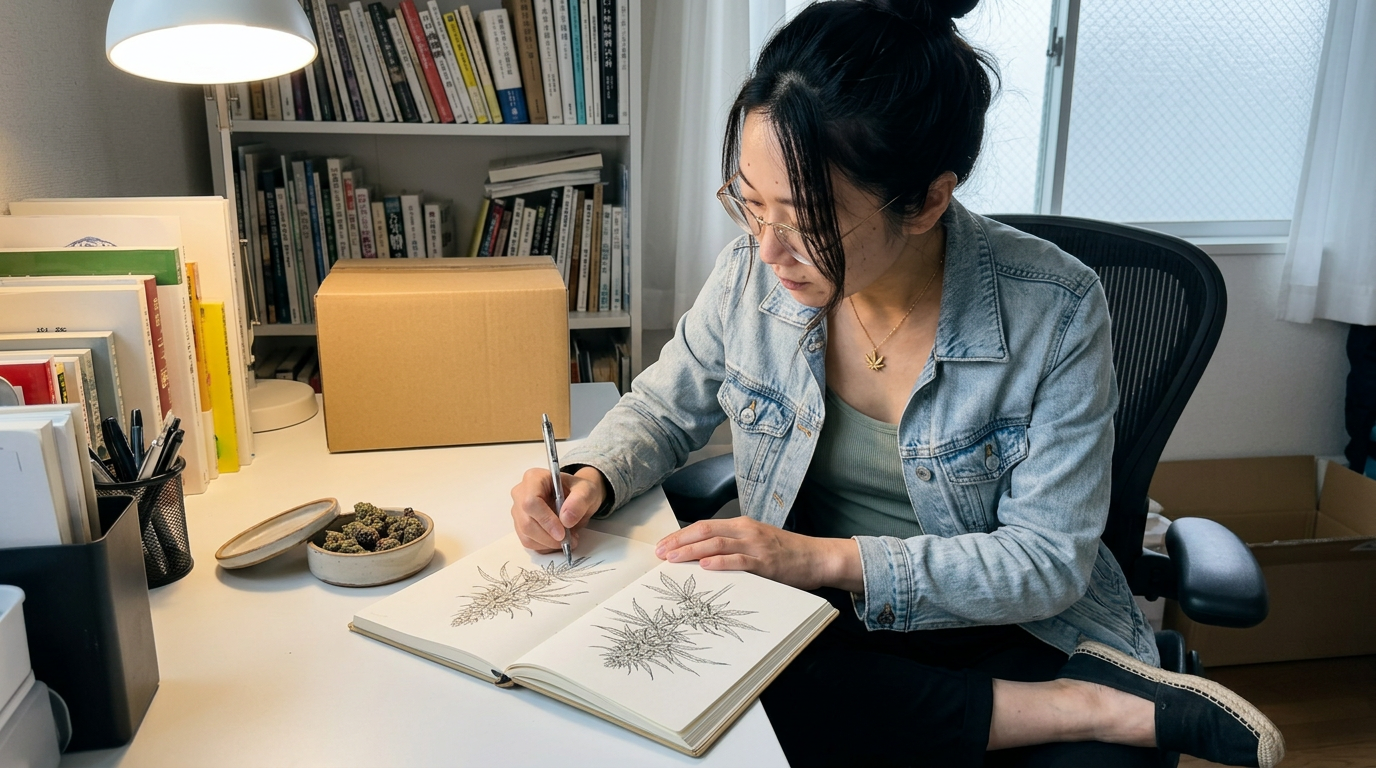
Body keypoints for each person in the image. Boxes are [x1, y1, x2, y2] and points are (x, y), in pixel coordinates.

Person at [509, 1, 1284, 765]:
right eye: (750, 204)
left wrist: (819, 558)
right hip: (829, 623)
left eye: (805, 218)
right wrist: (590, 473)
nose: (767, 248)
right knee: (692, 682)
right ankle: (1073, 710)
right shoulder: (750, 273)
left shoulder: (1058, 306)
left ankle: (1067, 698)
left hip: (1001, 624)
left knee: (776, 703)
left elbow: (1047, 562)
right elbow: (660, 408)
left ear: (925, 201)